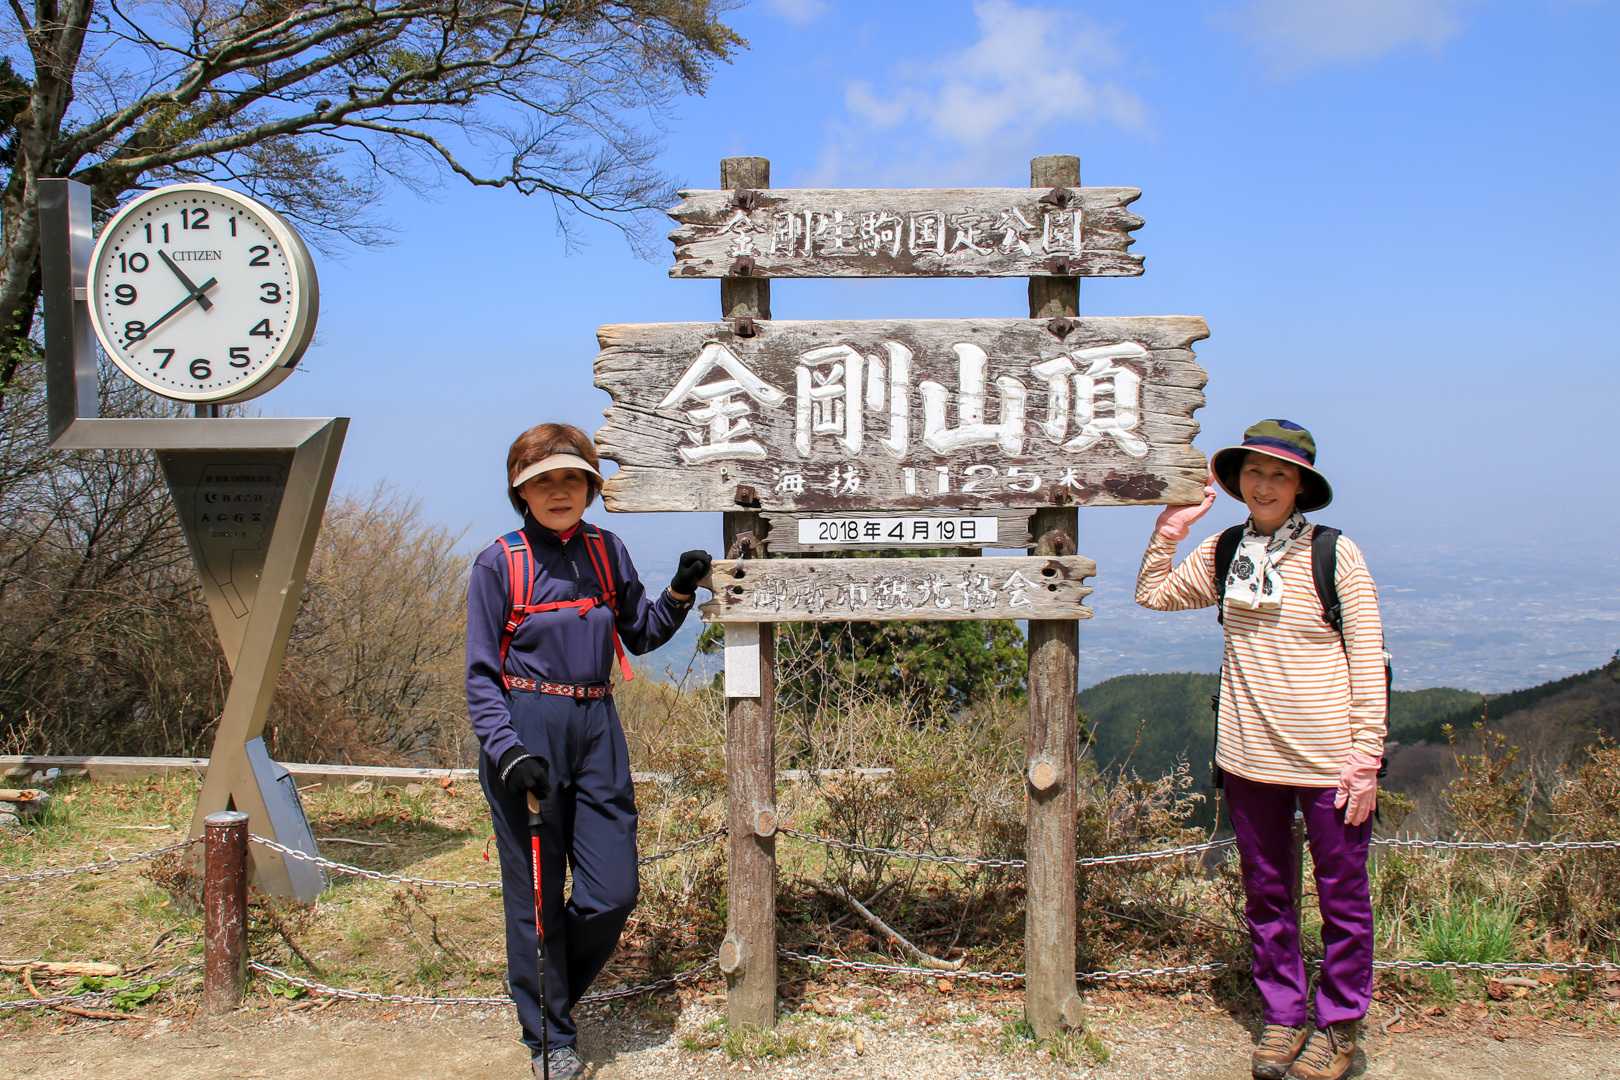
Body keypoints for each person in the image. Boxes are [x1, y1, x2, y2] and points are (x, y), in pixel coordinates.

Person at [1135, 420, 1386, 1080]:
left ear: (1301, 485)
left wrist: (1366, 758)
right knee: (1267, 895)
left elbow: (1367, 656)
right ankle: (1282, 1015)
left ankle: (1339, 1025)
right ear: (1237, 479)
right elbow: (1153, 594)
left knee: (1343, 900)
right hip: (1249, 756)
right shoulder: (1225, 551)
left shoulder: (1336, 554)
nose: (1265, 485)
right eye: (1254, 471)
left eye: (1279, 474)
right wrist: (1168, 531)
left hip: (1331, 761)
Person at [466, 422, 711, 1080]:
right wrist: (507, 751)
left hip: (598, 725)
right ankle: (550, 1036)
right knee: (537, 898)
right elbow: (481, 676)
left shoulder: (607, 551)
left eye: (572, 478)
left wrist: (679, 592)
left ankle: (542, 995)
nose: (559, 491)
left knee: (613, 892)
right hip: (526, 729)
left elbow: (640, 632)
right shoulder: (499, 563)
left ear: (590, 487)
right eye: (542, 480)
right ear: (520, 491)